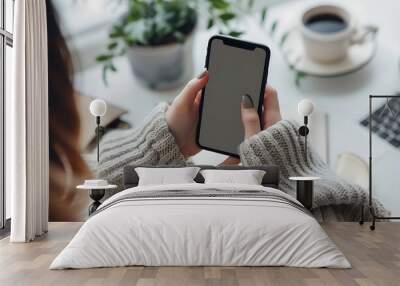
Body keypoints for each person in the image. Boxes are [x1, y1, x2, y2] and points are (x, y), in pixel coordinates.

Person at [47, 0, 386, 222]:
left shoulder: (51, 194)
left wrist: (157, 144)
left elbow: (86, 185)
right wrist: (289, 166)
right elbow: (373, 234)